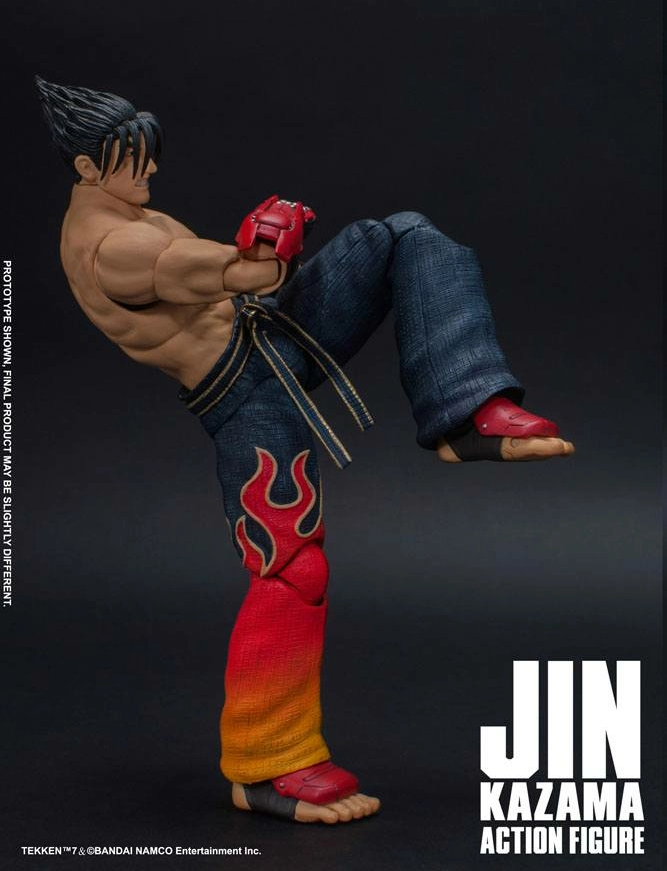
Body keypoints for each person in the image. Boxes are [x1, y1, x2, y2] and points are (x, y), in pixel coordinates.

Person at [37, 77, 574, 825]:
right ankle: (267, 766)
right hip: (242, 390)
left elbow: (249, 284)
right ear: (87, 167)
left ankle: (465, 410)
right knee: (292, 567)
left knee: (403, 234)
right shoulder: (112, 248)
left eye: (148, 154)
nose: (149, 169)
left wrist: (268, 247)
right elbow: (237, 273)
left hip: (272, 332)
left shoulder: (129, 211)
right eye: (133, 159)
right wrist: (266, 244)